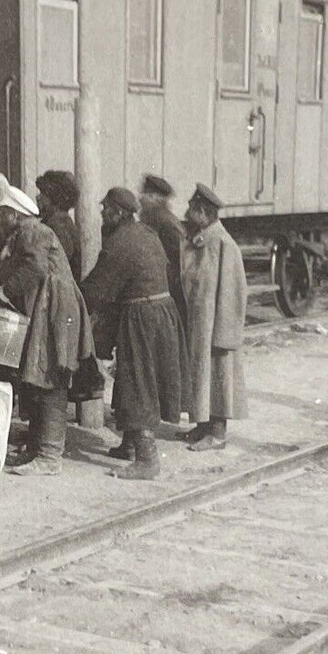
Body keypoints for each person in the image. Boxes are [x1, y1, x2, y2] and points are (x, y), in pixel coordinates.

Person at [81, 187, 186, 480]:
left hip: (142, 316)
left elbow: (97, 288)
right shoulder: (146, 233)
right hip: (161, 312)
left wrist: (75, 303)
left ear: (118, 213)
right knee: (138, 377)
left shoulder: (120, 242)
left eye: (106, 211)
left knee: (137, 381)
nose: (102, 215)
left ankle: (147, 460)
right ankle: (129, 444)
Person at [0, 186, 95, 476]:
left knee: (51, 377)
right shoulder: (26, 233)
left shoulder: (32, 231)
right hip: (46, 307)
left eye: (3, 214)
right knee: (38, 377)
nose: (0, 219)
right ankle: (36, 449)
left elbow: (36, 268)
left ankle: (50, 457)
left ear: (14, 214)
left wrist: (6, 291)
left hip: (54, 309)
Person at [179, 184, 249, 451]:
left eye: (190, 209)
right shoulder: (203, 239)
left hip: (217, 327)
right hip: (200, 325)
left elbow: (234, 292)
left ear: (202, 212)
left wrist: (225, 333)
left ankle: (217, 434)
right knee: (201, 375)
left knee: (219, 378)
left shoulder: (223, 244)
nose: (186, 214)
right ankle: (202, 427)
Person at [139, 174, 187, 323]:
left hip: (170, 288)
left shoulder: (161, 220)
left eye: (145, 195)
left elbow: (178, 261)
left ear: (155, 198)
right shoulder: (159, 217)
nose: (140, 199)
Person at [35, 169, 82, 277]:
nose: (38, 197)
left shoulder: (57, 227)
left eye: (43, 193)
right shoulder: (63, 222)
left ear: (55, 198)